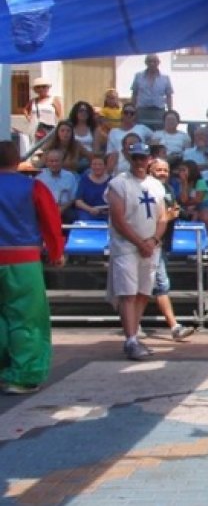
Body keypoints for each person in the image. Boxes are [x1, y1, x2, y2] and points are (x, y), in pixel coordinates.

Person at [0, 141, 65, 394]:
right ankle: (23, 376)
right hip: (23, 261)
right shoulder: (34, 186)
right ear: (17, 161)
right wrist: (57, 253)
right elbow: (51, 221)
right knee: (27, 319)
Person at [105, 141, 167, 361]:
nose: (140, 161)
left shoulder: (157, 186)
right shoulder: (118, 184)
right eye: (136, 157)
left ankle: (134, 334)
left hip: (150, 246)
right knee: (128, 293)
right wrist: (140, 242)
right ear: (130, 158)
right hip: (126, 246)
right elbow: (118, 219)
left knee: (143, 293)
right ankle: (131, 338)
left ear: (150, 159)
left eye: (144, 157)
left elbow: (163, 216)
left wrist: (153, 240)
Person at [147, 158, 197, 342]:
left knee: (153, 286)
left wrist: (177, 213)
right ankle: (174, 327)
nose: (162, 173)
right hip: (149, 242)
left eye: (165, 170)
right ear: (150, 170)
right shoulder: (146, 189)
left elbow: (172, 210)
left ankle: (133, 326)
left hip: (163, 242)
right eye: (158, 169)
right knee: (160, 285)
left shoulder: (168, 189)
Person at [105, 103, 153, 175]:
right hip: (120, 164)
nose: (129, 115)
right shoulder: (113, 132)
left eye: (132, 113)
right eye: (126, 112)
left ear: (135, 116)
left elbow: (156, 139)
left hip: (138, 160)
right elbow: (111, 153)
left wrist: (145, 147)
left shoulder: (142, 128)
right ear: (122, 114)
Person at [130, 53, 173, 130]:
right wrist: (132, 110)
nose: (152, 63)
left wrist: (170, 111)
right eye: (149, 61)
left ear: (158, 62)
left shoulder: (165, 78)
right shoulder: (138, 76)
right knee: (141, 133)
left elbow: (169, 96)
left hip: (159, 111)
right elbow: (134, 94)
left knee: (158, 134)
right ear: (146, 63)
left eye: (154, 61)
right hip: (142, 111)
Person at [36, 149, 78, 221]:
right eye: (51, 161)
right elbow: (38, 198)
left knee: (74, 216)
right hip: (45, 208)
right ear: (47, 163)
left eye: (57, 161)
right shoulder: (40, 178)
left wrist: (62, 209)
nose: (54, 164)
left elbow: (73, 197)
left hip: (65, 208)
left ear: (62, 162)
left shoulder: (70, 176)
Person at [74, 156, 113, 222]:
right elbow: (78, 201)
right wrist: (90, 209)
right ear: (90, 166)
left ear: (105, 166)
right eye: (94, 164)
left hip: (107, 213)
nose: (97, 167)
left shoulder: (112, 181)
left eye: (100, 164)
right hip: (88, 212)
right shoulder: (84, 179)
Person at [25, 77, 62, 141]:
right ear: (35, 89)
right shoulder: (33, 101)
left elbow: (60, 116)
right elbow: (25, 109)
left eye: (44, 87)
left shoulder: (54, 99)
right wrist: (28, 117)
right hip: (34, 130)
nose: (41, 89)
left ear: (48, 88)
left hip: (49, 130)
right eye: (38, 87)